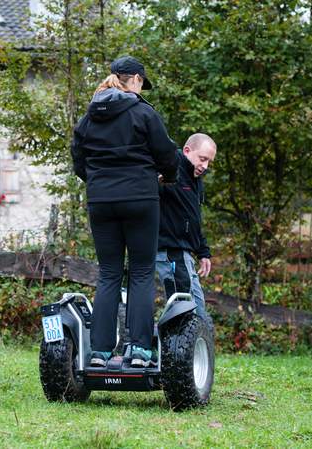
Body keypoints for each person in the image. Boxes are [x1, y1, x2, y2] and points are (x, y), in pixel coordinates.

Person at [71, 56, 178, 368]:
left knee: (108, 272)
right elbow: (168, 156)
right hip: (141, 199)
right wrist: (165, 178)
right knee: (142, 271)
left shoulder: (88, 119)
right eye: (142, 82)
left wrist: (101, 183)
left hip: (101, 202)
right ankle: (140, 350)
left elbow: (80, 161)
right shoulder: (144, 113)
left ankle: (101, 352)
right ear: (135, 80)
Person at [156, 133, 217, 318]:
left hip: (186, 254)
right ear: (187, 151)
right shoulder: (169, 170)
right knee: (182, 312)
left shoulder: (196, 181)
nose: (205, 166)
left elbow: (193, 218)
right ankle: (173, 347)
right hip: (169, 251)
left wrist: (203, 252)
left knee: (198, 311)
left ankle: (194, 346)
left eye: (209, 162)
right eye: (202, 159)